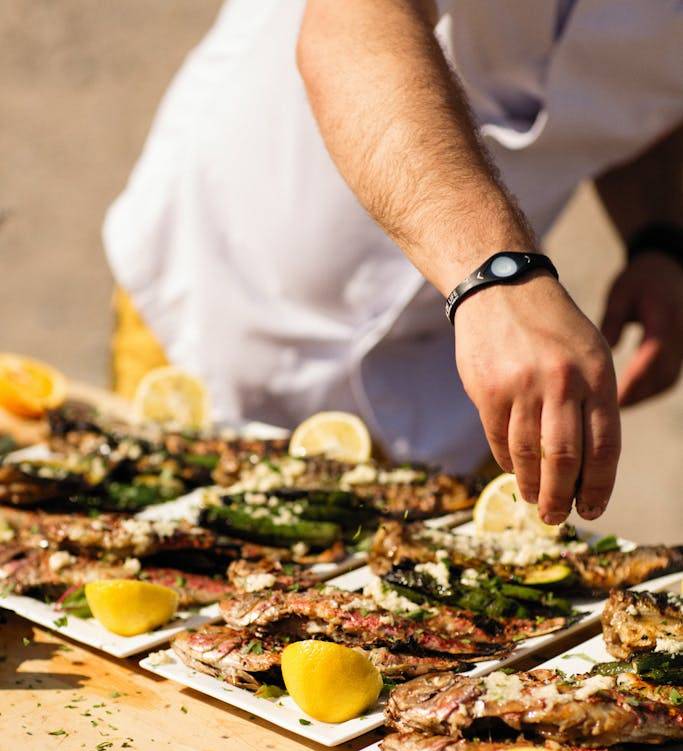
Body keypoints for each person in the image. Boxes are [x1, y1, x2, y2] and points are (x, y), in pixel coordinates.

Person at [103, 0, 683, 525]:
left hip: (453, 383)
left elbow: (638, 76)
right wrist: (499, 275)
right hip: (220, 301)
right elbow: (354, 25)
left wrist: (659, 237)